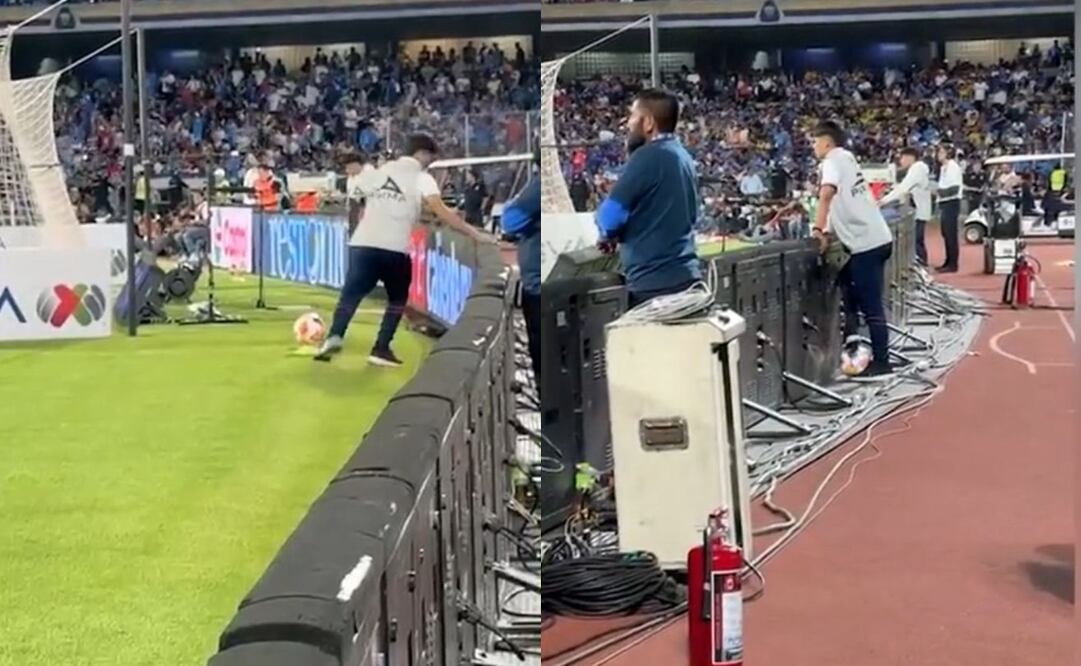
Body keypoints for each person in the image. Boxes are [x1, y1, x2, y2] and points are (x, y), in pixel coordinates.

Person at [314, 134, 493, 367]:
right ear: (421, 154)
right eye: (430, 157)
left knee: (351, 294)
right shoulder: (422, 178)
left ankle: (334, 336)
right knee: (397, 299)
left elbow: (356, 193)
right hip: (394, 247)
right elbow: (441, 211)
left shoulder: (379, 171)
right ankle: (380, 348)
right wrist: (475, 233)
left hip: (363, 243)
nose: (431, 162)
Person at [595, 88, 701, 308]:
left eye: (633, 115)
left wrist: (608, 234)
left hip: (654, 286)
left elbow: (609, 217)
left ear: (649, 123)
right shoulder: (683, 156)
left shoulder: (648, 157)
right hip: (687, 278)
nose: (628, 123)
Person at [810, 121, 896, 379]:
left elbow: (826, 195)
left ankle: (882, 362)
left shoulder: (832, 161)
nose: (813, 147)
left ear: (827, 142)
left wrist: (817, 229)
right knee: (849, 290)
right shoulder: (848, 158)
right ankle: (856, 349)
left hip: (865, 245)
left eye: (815, 141)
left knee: (871, 307)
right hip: (876, 239)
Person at [500, 151, 541, 383]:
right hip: (548, 281)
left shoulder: (538, 185)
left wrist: (510, 206)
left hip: (538, 287)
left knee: (543, 362)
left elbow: (510, 221)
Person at [878, 147, 932, 266]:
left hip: (919, 211)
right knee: (917, 240)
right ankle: (922, 264)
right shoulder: (917, 168)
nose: (900, 161)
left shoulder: (917, 168)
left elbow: (904, 188)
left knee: (916, 241)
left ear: (910, 157)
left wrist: (883, 201)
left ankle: (922, 266)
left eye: (902, 158)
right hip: (919, 210)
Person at [934, 144, 963, 273]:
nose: (938, 154)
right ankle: (948, 260)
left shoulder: (953, 167)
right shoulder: (943, 168)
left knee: (951, 233)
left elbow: (954, 189)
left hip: (952, 202)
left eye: (941, 152)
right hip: (945, 202)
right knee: (945, 233)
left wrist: (938, 191)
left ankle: (953, 264)